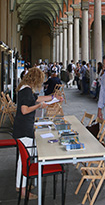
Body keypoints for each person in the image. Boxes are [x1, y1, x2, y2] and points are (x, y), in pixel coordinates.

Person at [13, 67, 63, 199]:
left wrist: (53, 97)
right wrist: (39, 106)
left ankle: (21, 184)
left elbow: (37, 98)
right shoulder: (26, 90)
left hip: (22, 127)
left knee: (22, 159)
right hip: (24, 129)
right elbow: (25, 110)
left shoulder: (25, 89)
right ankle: (23, 189)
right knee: (24, 160)